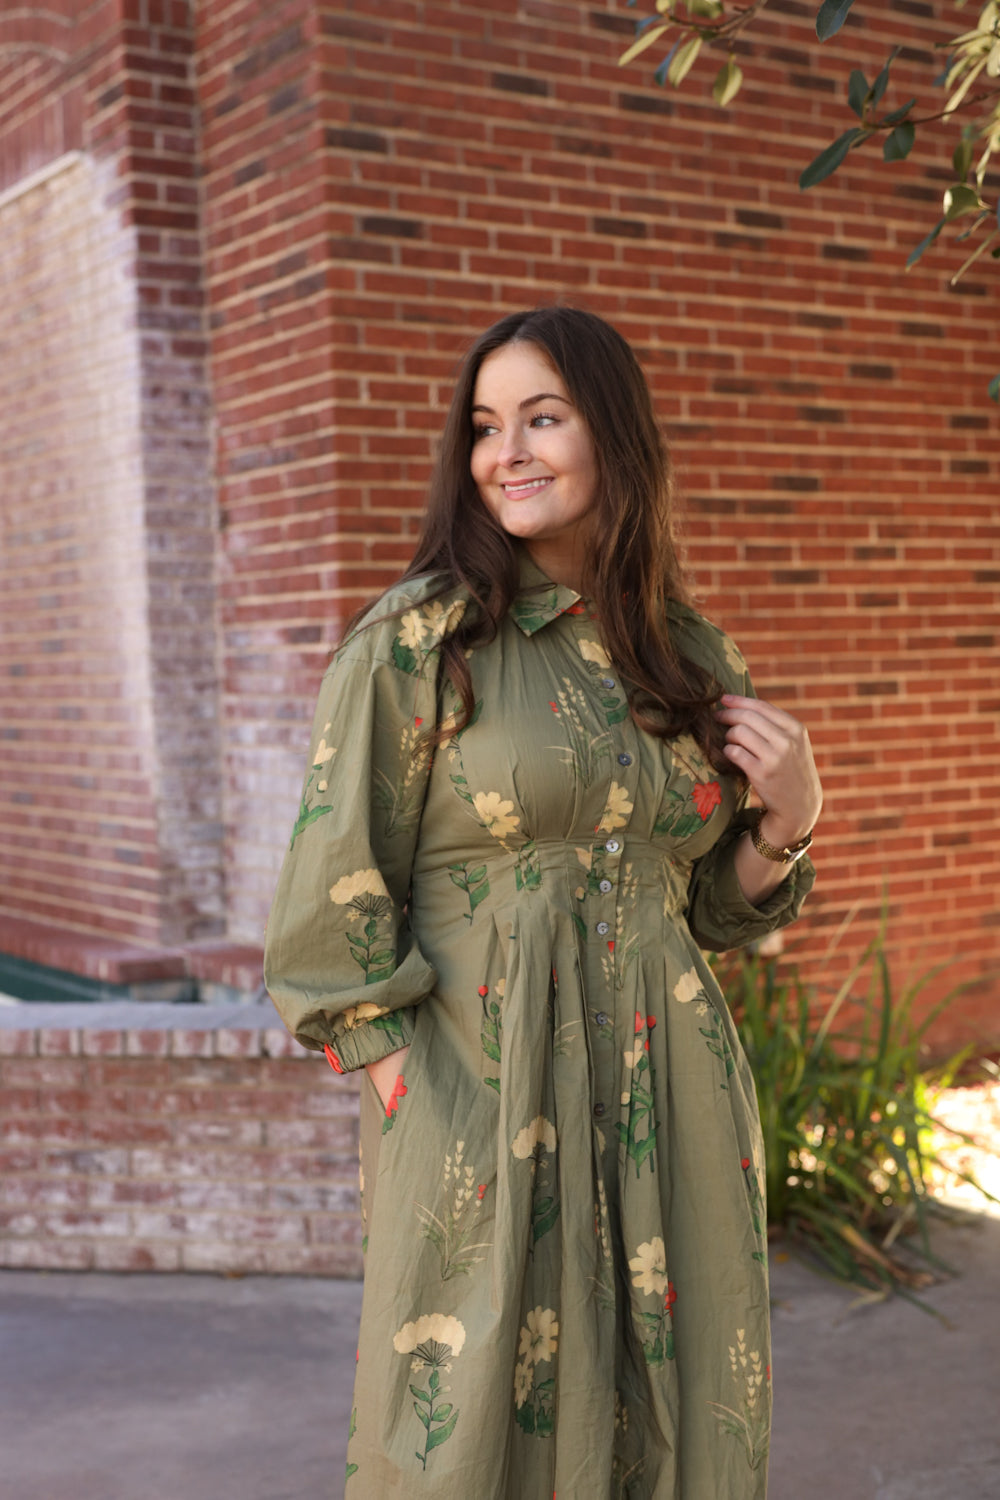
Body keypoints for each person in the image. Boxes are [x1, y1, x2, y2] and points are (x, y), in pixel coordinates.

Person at [263, 306, 822, 1499]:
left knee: (674, 1409)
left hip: (671, 1092)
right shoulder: (419, 645)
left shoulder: (688, 655)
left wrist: (787, 823)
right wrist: (416, 1100)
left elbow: (708, 913)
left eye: (541, 417)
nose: (504, 452)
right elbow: (330, 909)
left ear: (613, 433)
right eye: (483, 426)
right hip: (481, 1092)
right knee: (466, 1429)